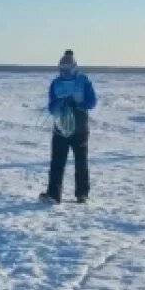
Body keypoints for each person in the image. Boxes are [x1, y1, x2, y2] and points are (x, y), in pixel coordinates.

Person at [40, 50, 97, 204]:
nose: (65, 72)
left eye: (68, 69)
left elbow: (92, 102)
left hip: (80, 126)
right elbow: (51, 108)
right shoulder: (56, 83)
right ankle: (54, 194)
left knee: (81, 161)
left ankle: (82, 194)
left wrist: (79, 103)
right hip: (61, 126)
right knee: (58, 160)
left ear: (74, 67)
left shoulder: (84, 81)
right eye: (62, 69)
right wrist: (60, 102)